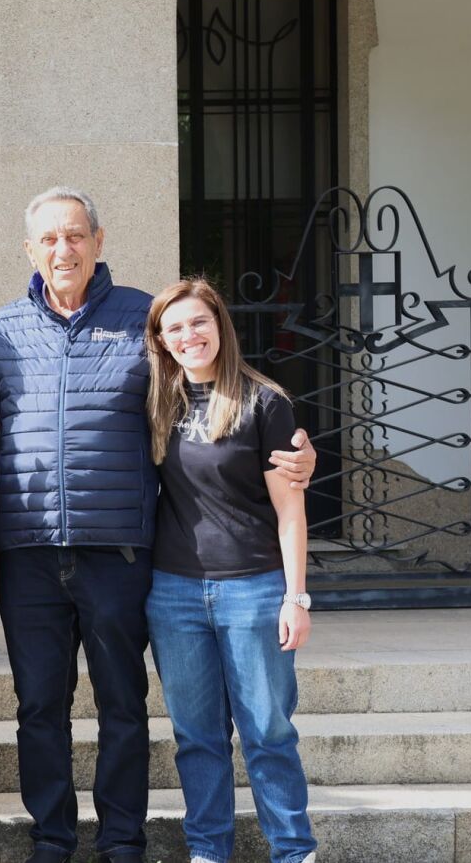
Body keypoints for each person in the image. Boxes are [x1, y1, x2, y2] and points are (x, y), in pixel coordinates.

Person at [0, 187, 316, 863]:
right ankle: (52, 839)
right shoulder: (0, 329)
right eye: (48, 239)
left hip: (120, 550)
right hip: (30, 551)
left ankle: (121, 841)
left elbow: (208, 389)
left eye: (75, 236)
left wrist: (296, 450)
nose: (62, 249)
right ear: (29, 250)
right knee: (40, 707)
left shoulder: (144, 317)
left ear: (99, 242)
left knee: (123, 705)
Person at [144, 278, 317, 863]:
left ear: (219, 325)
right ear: (161, 341)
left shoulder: (264, 402)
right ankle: (208, 851)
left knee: (268, 733)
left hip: (254, 589)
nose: (189, 336)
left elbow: (290, 509)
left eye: (198, 322)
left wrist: (298, 597)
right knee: (197, 738)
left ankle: (294, 852)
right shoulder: (157, 403)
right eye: (175, 328)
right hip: (173, 593)